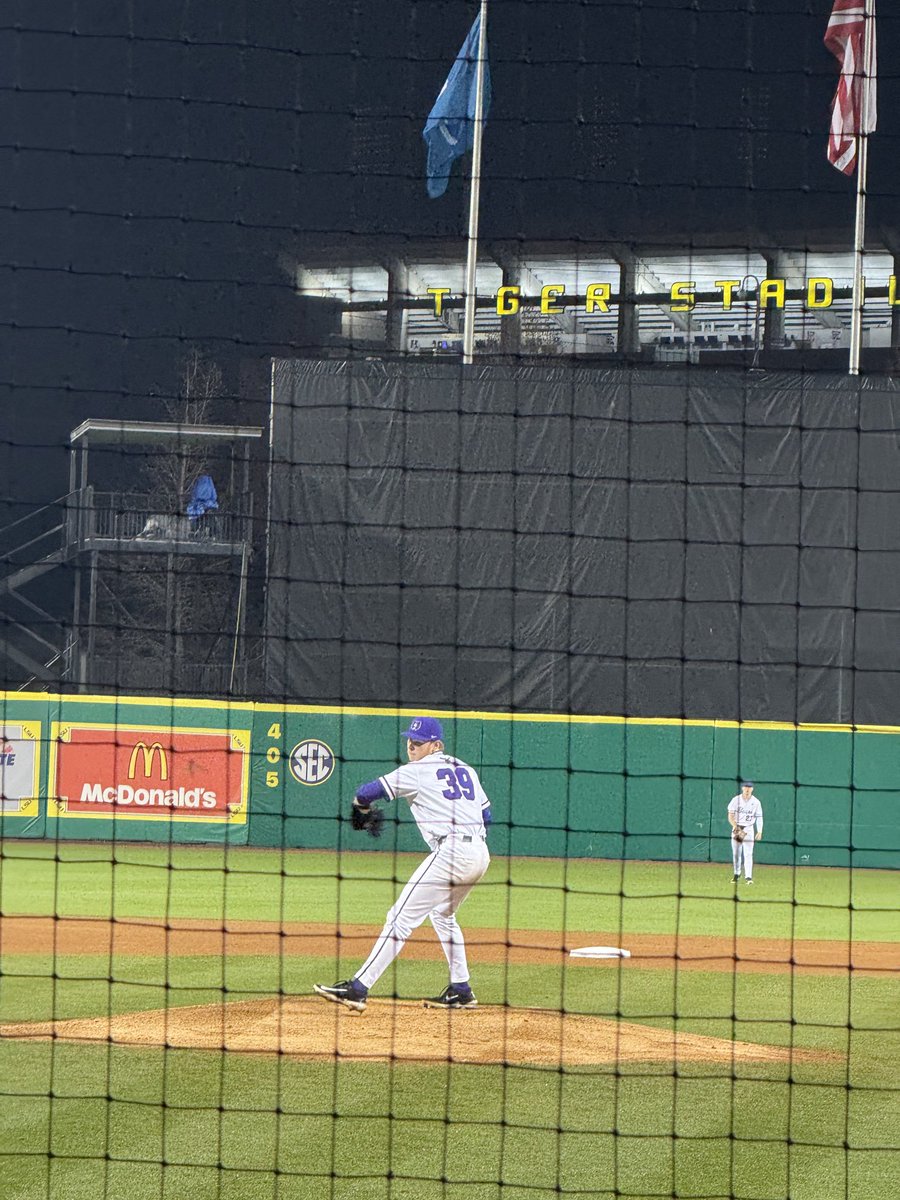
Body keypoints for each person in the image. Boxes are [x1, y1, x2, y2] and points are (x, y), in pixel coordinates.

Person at [314, 716, 492, 1012]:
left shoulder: (417, 771)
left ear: (436, 745)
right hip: (480, 854)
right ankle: (461, 990)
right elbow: (487, 815)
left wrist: (360, 807)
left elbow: (366, 792)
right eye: (410, 740)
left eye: (418, 742)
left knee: (399, 918)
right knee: (442, 915)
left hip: (452, 853)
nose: (411, 746)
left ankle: (358, 989)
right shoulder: (465, 769)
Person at [728, 780, 763, 884]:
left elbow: (759, 817)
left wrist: (759, 831)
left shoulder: (756, 802)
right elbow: (730, 815)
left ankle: (748, 876)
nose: (747, 789)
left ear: (752, 789)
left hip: (749, 828)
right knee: (736, 852)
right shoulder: (736, 800)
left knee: (748, 853)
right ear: (742, 788)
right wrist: (735, 826)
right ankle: (737, 873)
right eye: (746, 787)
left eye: (749, 787)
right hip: (738, 828)